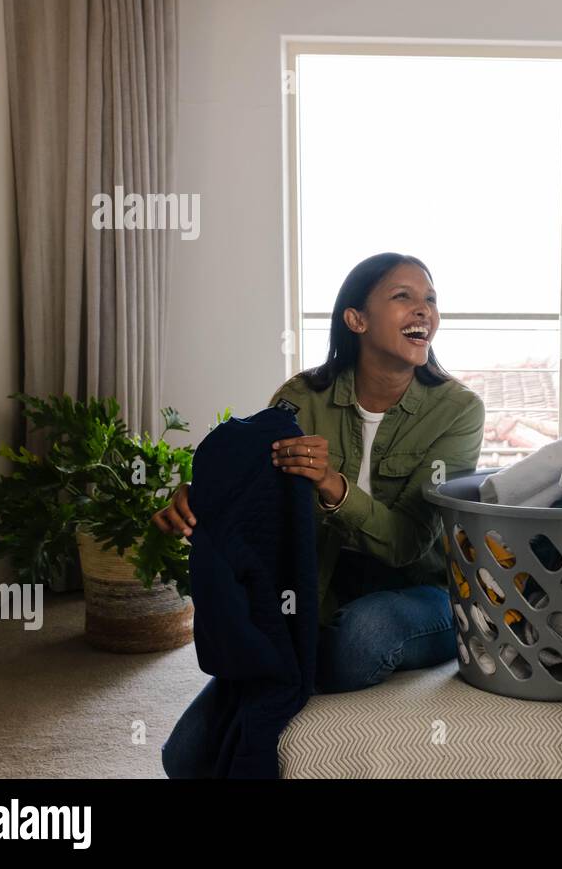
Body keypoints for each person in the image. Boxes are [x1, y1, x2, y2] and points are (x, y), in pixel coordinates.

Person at [156, 253, 484, 777]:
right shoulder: (302, 397)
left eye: (430, 299)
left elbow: (408, 543)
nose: (424, 309)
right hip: (319, 584)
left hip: (422, 589)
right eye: (403, 296)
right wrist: (199, 496)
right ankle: (282, 661)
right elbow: (256, 489)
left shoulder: (458, 410)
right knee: (185, 757)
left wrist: (334, 486)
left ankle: (283, 663)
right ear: (356, 319)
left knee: (361, 638)